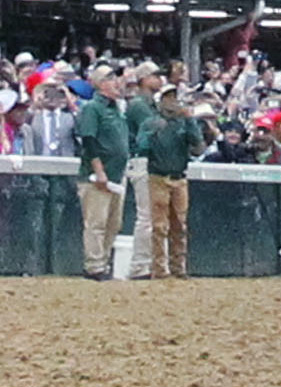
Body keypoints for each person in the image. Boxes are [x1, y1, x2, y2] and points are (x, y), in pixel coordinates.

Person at [132, 75, 206, 280]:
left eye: (174, 97)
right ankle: (159, 268)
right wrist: (151, 134)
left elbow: (199, 148)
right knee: (159, 226)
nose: (172, 101)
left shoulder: (183, 123)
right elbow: (140, 148)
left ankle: (178, 267)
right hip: (157, 177)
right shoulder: (150, 123)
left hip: (179, 177)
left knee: (179, 225)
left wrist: (190, 120)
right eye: (168, 97)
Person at [70, 72, 135, 278]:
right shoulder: (92, 109)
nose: (118, 84)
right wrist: (99, 170)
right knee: (96, 223)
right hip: (97, 176)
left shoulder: (117, 110)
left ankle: (103, 262)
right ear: (100, 84)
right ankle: (94, 265)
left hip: (117, 175)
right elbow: (88, 141)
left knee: (113, 223)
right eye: (111, 79)